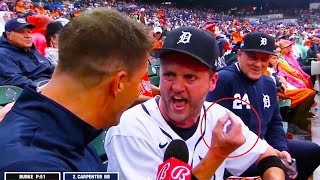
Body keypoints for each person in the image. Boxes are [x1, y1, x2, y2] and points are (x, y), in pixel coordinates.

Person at [105, 26, 286, 180]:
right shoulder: (129, 129)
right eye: (169, 75)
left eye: (190, 77)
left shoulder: (218, 117)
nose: (177, 87)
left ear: (213, 82)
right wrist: (216, 155)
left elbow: (268, 156)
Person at [0, 8, 151, 173]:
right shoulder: (34, 166)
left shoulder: (72, 129)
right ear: (118, 83)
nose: (139, 91)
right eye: (139, 81)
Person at [206, 32, 320, 180]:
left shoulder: (268, 82)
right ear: (240, 54)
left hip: (264, 147)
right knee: (277, 168)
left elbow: (275, 123)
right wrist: (268, 154)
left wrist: (281, 148)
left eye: (264, 58)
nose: (258, 64)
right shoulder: (223, 80)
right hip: (234, 155)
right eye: (253, 57)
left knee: (312, 151)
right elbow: (212, 130)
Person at [0, 18, 54, 88]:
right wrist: (45, 88)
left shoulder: (31, 49)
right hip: (33, 93)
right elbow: (14, 80)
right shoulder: (3, 54)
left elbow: (50, 69)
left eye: (29, 32)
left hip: (50, 85)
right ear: (9, 35)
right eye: (21, 32)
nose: (27, 36)